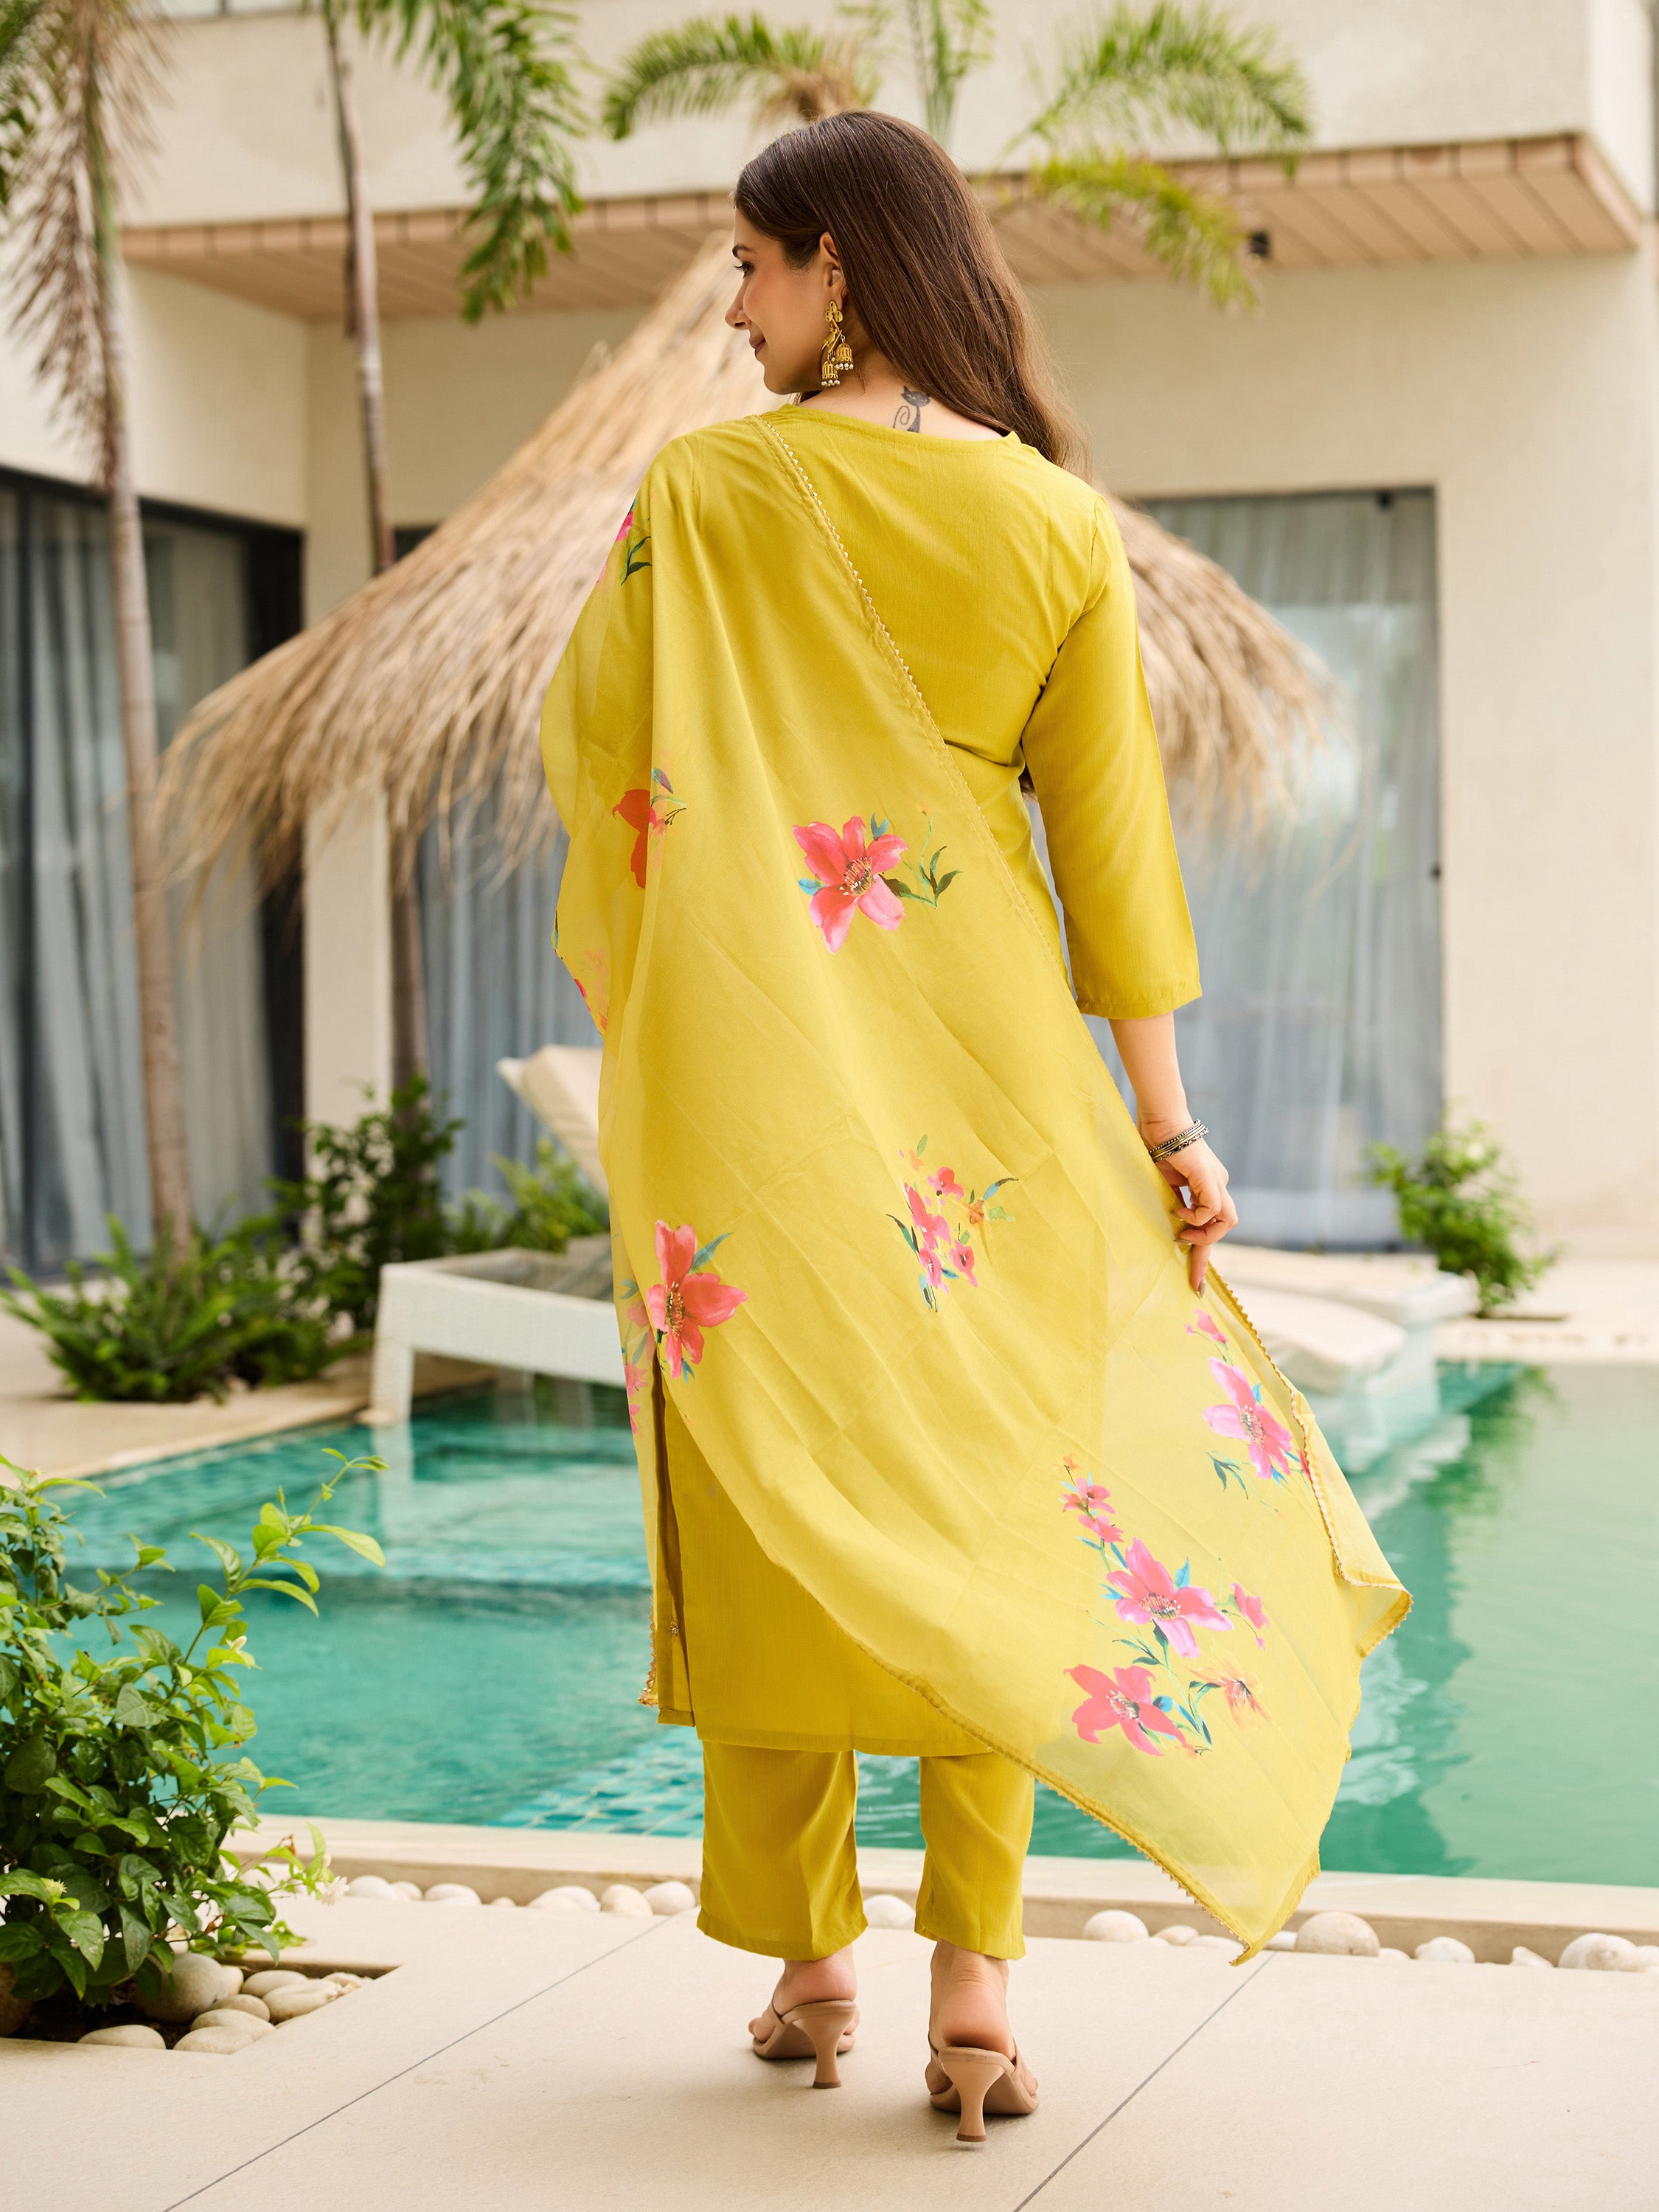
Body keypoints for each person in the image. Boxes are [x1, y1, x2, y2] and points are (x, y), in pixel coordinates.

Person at [540, 110, 1405, 2146]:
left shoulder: (707, 495)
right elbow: (1111, 861)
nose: (732, 312)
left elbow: (601, 763)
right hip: (1000, 1100)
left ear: (834, 265)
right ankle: (975, 1989)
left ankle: (810, 1957)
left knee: (775, 1487)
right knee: (1011, 1489)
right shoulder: (1051, 523)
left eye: (749, 269)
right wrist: (1166, 1123)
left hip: (757, 1086)